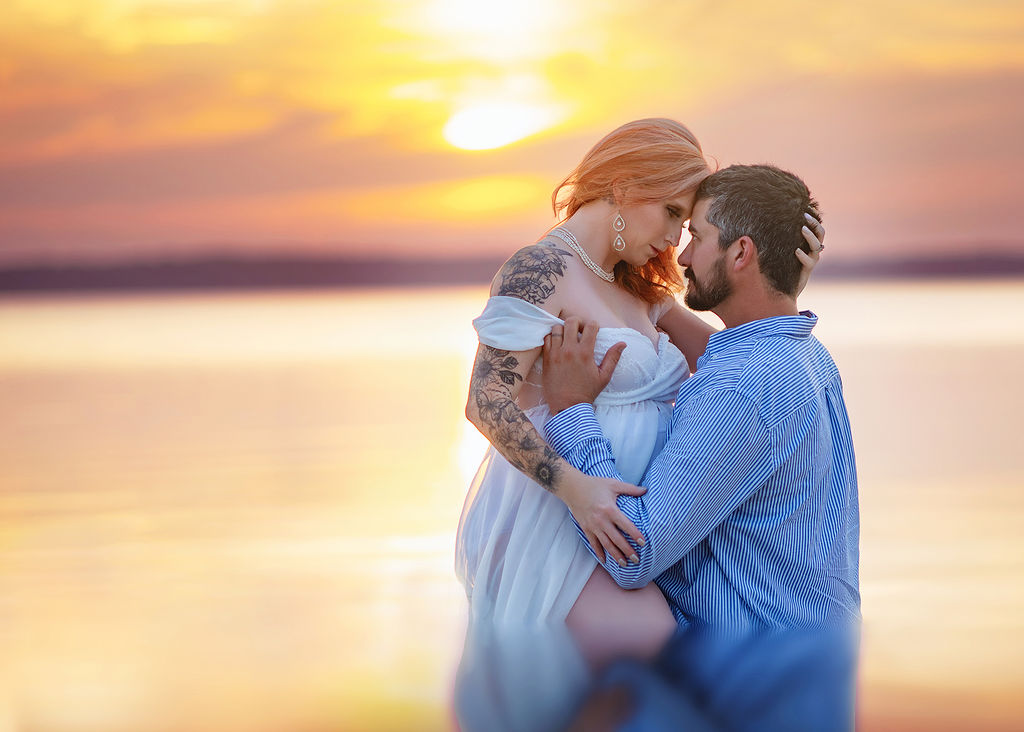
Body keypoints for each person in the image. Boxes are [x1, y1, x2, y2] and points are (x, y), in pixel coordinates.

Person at [454, 121, 824, 659]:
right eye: (673, 213)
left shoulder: (641, 286)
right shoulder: (539, 268)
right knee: (649, 641)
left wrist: (779, 283)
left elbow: (737, 358)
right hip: (562, 519)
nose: (676, 240)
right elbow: (484, 402)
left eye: (687, 222)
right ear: (625, 186)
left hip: (638, 529)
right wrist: (575, 490)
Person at [541, 162, 860, 635]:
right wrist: (777, 281)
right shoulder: (806, 356)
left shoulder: (739, 387)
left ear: (741, 253)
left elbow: (637, 552)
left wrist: (570, 409)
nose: (683, 257)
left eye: (698, 236)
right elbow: (741, 337)